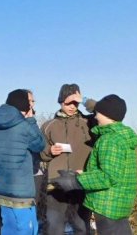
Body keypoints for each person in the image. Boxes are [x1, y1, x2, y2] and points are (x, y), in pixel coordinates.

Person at [52, 94, 137, 235]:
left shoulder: (110, 140)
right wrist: (85, 174)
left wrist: (75, 181)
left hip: (108, 204)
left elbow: (108, 177)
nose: (96, 116)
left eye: (98, 113)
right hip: (117, 201)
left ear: (106, 115)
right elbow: (112, 171)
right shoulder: (120, 136)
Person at [0, 89, 46, 235]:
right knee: (28, 230)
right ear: (25, 106)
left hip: (3, 191)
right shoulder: (23, 126)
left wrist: (0, 170)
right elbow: (40, 144)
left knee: (9, 229)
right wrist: (31, 120)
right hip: (22, 194)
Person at [40, 84, 95, 234]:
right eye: (68, 102)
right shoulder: (48, 125)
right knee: (53, 226)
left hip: (82, 180)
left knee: (82, 226)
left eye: (75, 103)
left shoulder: (89, 122)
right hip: (56, 182)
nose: (72, 106)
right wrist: (49, 151)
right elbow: (40, 152)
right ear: (60, 101)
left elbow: (105, 111)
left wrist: (83, 99)